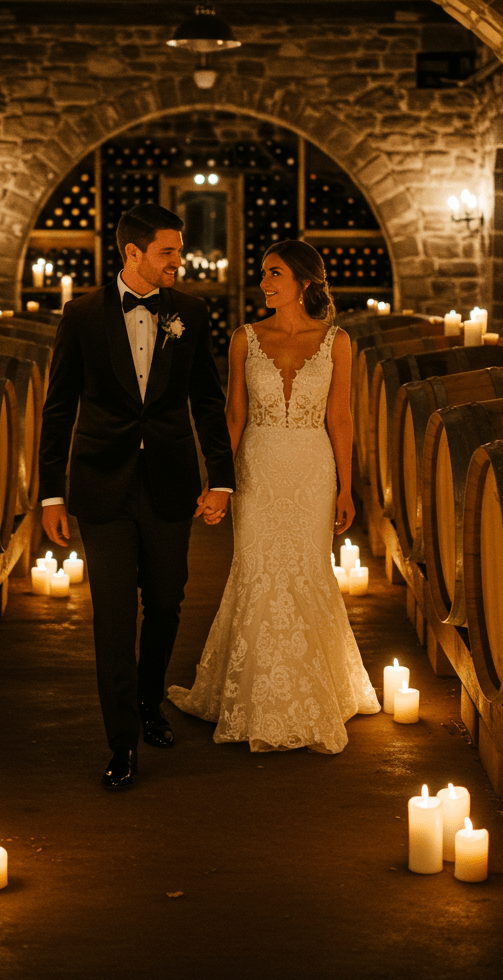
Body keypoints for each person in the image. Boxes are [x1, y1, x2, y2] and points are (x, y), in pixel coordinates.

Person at [39, 203, 236, 790]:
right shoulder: (81, 316)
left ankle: (150, 701)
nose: (180, 260)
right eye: (168, 252)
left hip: (170, 482)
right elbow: (57, 409)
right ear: (133, 254)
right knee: (114, 616)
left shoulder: (192, 313)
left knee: (168, 602)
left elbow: (207, 397)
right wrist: (51, 494)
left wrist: (220, 479)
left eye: (178, 250)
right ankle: (121, 741)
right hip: (103, 485)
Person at [168, 240, 380, 753]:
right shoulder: (246, 338)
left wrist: (345, 487)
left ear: (303, 281)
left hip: (312, 466)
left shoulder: (337, 340)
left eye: (274, 273)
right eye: (263, 273)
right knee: (257, 568)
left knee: (307, 570)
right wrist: (218, 480)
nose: (263, 282)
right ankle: (253, 694)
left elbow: (341, 418)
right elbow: (234, 416)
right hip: (258, 466)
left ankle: (314, 691)